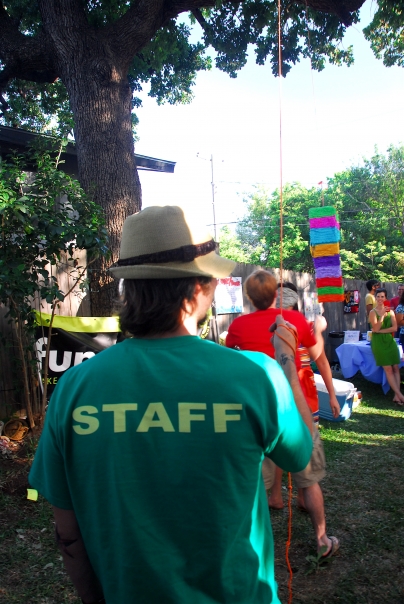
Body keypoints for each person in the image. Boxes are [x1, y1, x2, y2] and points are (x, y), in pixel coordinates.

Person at [29, 206, 314, 604]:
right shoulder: (257, 374)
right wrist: (287, 365)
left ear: (129, 289)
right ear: (200, 288)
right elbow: (300, 456)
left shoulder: (75, 386)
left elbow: (67, 530)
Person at [226, 270, 339, 559]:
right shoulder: (295, 319)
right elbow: (317, 354)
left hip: (259, 408)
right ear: (275, 295)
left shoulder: (238, 325)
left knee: (255, 484)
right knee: (308, 478)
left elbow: (234, 359)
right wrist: (318, 330)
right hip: (294, 406)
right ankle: (322, 539)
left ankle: (250, 549)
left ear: (249, 298)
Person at [369, 287, 404, 405]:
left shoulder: (391, 312)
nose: (380, 299)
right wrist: (382, 316)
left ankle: (396, 395)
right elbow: (376, 327)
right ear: (375, 298)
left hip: (390, 341)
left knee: (395, 367)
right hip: (378, 343)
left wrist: (379, 331)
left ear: (385, 298)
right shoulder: (372, 312)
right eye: (378, 296)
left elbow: (395, 328)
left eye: (382, 296)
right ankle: (400, 395)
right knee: (388, 369)